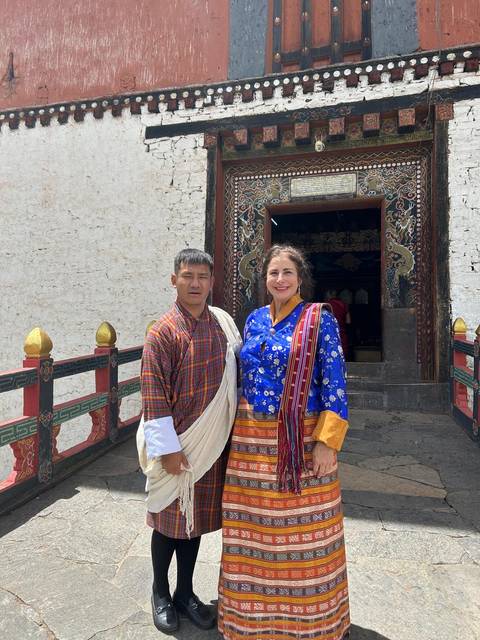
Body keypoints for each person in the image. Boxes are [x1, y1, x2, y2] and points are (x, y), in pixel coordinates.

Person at [218, 244, 350, 640]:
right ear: (265, 279)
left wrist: (327, 442)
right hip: (250, 441)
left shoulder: (318, 319)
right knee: (250, 530)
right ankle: (248, 623)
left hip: (301, 437)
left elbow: (336, 383)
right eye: (273, 273)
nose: (279, 279)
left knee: (305, 530)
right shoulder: (254, 319)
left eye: (287, 273)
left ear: (299, 278)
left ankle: (313, 623)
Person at [137, 248, 241, 633]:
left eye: (202, 277)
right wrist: (167, 450)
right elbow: (153, 394)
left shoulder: (223, 326)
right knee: (167, 521)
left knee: (192, 523)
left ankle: (185, 592)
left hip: (210, 444)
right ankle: (160, 592)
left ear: (212, 282)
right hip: (178, 447)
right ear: (174, 280)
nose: (195, 284)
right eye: (187, 276)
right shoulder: (163, 332)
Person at [326, 288, 351, 360]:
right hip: (342, 334)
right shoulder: (344, 304)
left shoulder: (327, 305)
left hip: (330, 334)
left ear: (330, 293)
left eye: (326, 294)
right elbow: (348, 321)